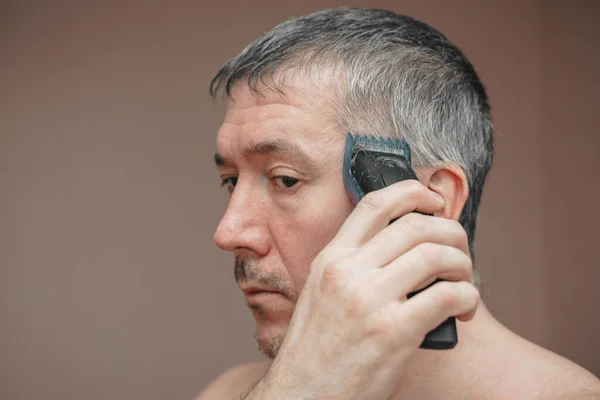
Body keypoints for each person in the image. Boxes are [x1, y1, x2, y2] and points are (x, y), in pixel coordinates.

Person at [197, 8, 600, 400]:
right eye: (231, 181)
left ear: (430, 203)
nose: (228, 232)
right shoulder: (227, 391)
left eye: (285, 179)